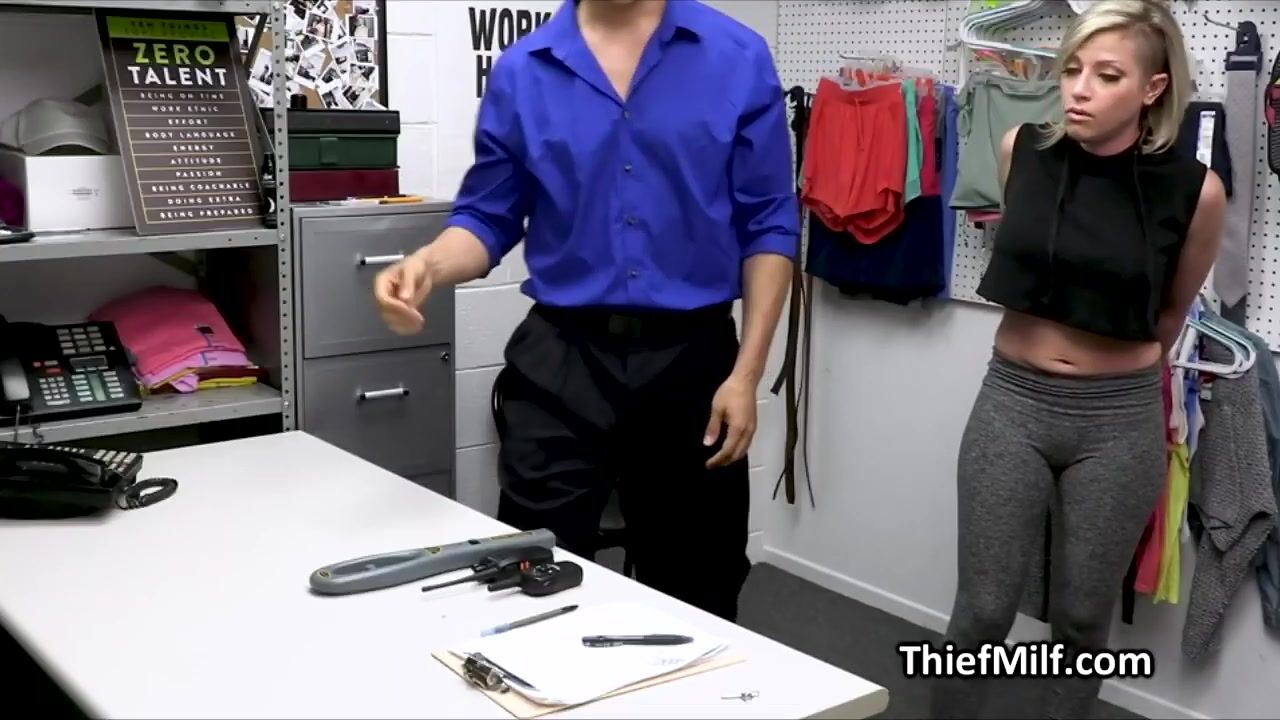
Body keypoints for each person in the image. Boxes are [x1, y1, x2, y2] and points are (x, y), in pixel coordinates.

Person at [372, 0, 798, 622]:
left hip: (693, 365)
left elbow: (769, 224)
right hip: (561, 362)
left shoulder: (736, 55)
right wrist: (427, 266)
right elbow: (489, 214)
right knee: (530, 577)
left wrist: (747, 374)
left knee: (698, 585)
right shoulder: (524, 69)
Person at [931, 1, 1225, 718]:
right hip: (1013, 403)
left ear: (1153, 88)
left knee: (1083, 620)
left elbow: (1169, 315)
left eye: (1107, 75)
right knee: (983, 610)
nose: (1079, 90)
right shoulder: (1021, 151)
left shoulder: (1196, 190)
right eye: (1072, 70)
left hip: (1117, 421)